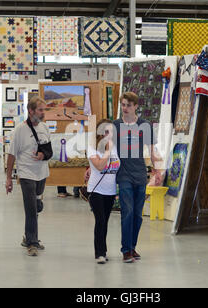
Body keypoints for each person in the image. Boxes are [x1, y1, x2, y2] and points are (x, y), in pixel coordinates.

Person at [113, 92, 164, 263]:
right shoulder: (116, 125)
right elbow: (107, 150)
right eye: (123, 105)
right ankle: (126, 250)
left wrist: (157, 171)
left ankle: (132, 247)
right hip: (124, 174)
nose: (125, 108)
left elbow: (152, 151)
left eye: (128, 105)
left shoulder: (145, 126)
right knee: (127, 212)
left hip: (140, 174)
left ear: (136, 106)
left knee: (137, 215)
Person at [6, 96, 51, 257]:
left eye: (44, 110)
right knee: (31, 208)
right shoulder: (20, 130)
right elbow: (11, 155)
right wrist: (9, 178)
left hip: (42, 173)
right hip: (26, 173)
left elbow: (48, 150)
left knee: (37, 207)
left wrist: (42, 155)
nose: (43, 113)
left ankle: (28, 237)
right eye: (40, 110)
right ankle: (32, 242)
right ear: (30, 111)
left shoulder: (45, 128)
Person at [87, 119, 120, 264]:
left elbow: (118, 167)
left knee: (105, 222)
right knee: (100, 220)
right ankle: (99, 253)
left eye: (111, 131)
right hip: (96, 190)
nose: (109, 134)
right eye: (106, 131)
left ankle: (104, 250)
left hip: (110, 191)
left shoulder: (116, 148)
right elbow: (100, 166)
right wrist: (107, 150)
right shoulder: (92, 148)